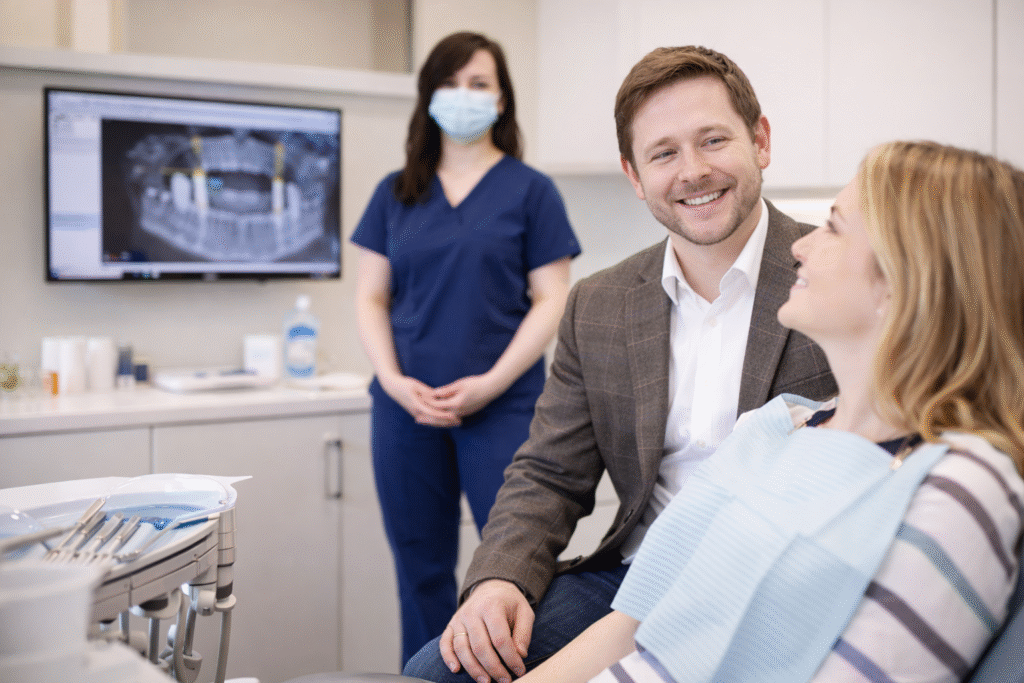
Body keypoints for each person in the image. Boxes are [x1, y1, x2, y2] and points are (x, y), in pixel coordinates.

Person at [515, 139, 1024, 683]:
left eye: (832, 226)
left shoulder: (960, 486)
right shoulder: (773, 426)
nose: (802, 246)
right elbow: (632, 623)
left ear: (905, 278)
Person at [405, 46, 837, 683]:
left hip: (774, 584)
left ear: (760, 141)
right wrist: (499, 578)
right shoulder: (599, 303)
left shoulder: (835, 276)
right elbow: (551, 473)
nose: (692, 171)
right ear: (635, 175)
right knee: (438, 674)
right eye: (663, 153)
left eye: (713, 140)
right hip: (637, 577)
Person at [352, 31, 581, 664]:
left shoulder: (530, 191)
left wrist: (491, 383)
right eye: (451, 83)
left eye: (479, 83)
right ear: (428, 98)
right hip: (405, 409)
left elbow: (552, 298)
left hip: (504, 407)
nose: (464, 96)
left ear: (502, 100)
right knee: (420, 574)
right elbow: (371, 298)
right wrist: (395, 382)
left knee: (515, 570)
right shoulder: (396, 191)